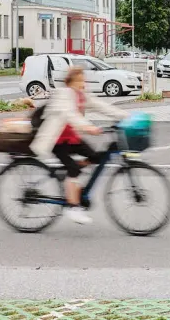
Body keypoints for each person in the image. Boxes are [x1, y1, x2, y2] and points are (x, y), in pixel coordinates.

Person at [31, 64, 126, 224]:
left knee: (97, 157)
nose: (83, 83)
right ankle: (73, 207)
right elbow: (70, 114)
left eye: (83, 79)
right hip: (57, 140)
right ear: (71, 82)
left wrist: (125, 116)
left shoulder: (81, 95)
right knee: (73, 169)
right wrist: (88, 127)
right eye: (79, 80)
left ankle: (73, 175)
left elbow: (101, 106)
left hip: (72, 138)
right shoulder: (64, 94)